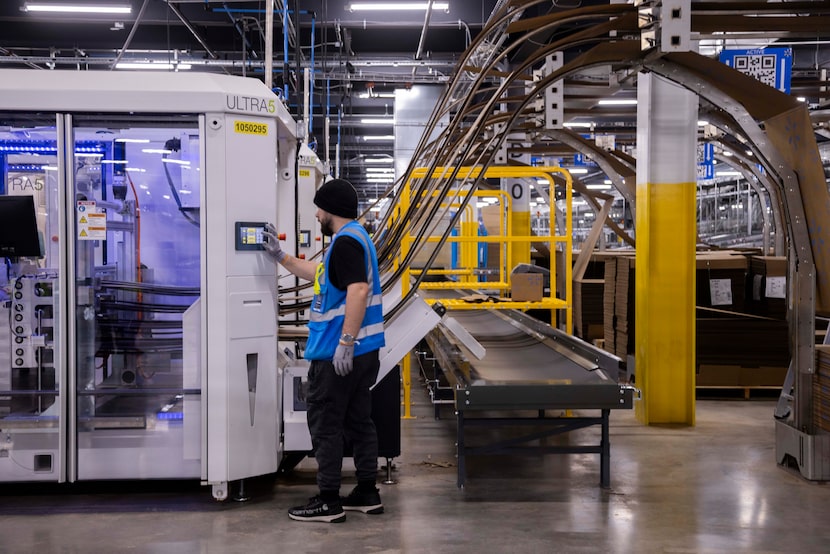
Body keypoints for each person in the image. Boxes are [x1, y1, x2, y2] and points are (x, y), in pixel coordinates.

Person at [263, 178, 385, 523]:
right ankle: (366, 491)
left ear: (331, 210)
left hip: (338, 354)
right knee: (359, 421)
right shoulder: (356, 239)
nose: (316, 214)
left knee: (326, 425)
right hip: (363, 352)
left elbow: (358, 291)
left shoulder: (346, 243)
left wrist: (345, 343)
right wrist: (280, 256)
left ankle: (328, 500)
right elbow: (320, 275)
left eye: (319, 208)